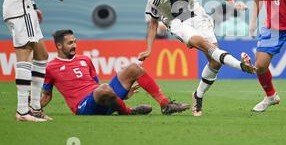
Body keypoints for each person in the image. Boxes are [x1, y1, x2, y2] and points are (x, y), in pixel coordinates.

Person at [139, 0, 256, 117]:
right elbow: (153, 23)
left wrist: (233, 4)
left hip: (198, 17)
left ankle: (198, 95)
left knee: (215, 62)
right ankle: (241, 66)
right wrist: (149, 49)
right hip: (176, 23)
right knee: (201, 42)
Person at [41, 29, 189, 116]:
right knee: (104, 89)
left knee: (134, 68)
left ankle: (165, 104)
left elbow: (95, 85)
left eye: (75, 41)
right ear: (59, 46)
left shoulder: (85, 59)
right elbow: (47, 95)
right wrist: (34, 107)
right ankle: (129, 112)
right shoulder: (51, 68)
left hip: (100, 96)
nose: (74, 45)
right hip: (83, 106)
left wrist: (118, 95)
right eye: (70, 43)